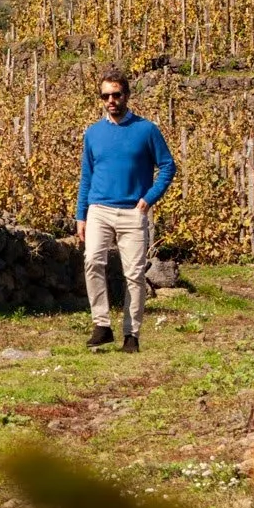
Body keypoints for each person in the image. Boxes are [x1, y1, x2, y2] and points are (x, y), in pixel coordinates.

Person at [75, 67, 177, 352]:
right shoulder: (93, 134)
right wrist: (81, 215)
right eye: (105, 95)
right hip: (98, 209)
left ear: (127, 95)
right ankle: (102, 325)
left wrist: (150, 197)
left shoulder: (146, 130)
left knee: (133, 274)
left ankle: (131, 335)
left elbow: (168, 166)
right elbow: (87, 175)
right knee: (92, 261)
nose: (111, 100)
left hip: (133, 212)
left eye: (116, 94)